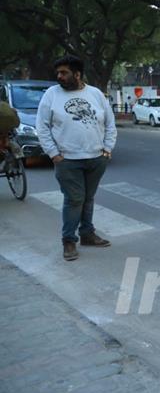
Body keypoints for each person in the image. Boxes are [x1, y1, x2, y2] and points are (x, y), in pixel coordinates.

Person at [36, 55, 117, 261]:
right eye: (58, 73)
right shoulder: (51, 95)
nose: (59, 77)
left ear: (78, 74)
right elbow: (42, 127)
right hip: (68, 160)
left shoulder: (96, 94)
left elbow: (109, 123)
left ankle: (87, 234)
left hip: (96, 158)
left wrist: (107, 150)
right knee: (74, 200)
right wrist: (53, 154)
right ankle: (69, 241)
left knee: (88, 199)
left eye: (64, 72)